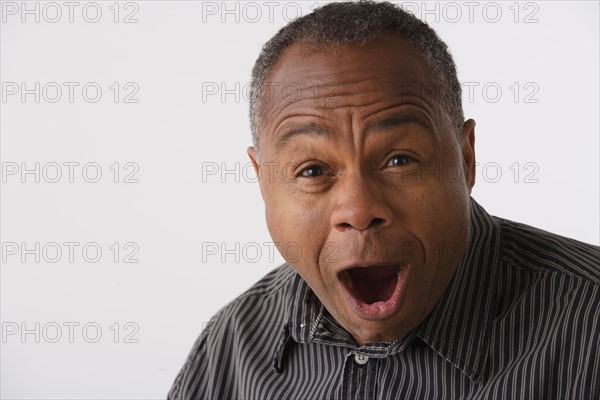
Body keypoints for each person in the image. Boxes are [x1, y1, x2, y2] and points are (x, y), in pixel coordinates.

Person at [168, 1, 599, 399]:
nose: (358, 210)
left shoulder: (589, 324)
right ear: (263, 182)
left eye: (398, 159)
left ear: (466, 157)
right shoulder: (231, 348)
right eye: (313, 171)